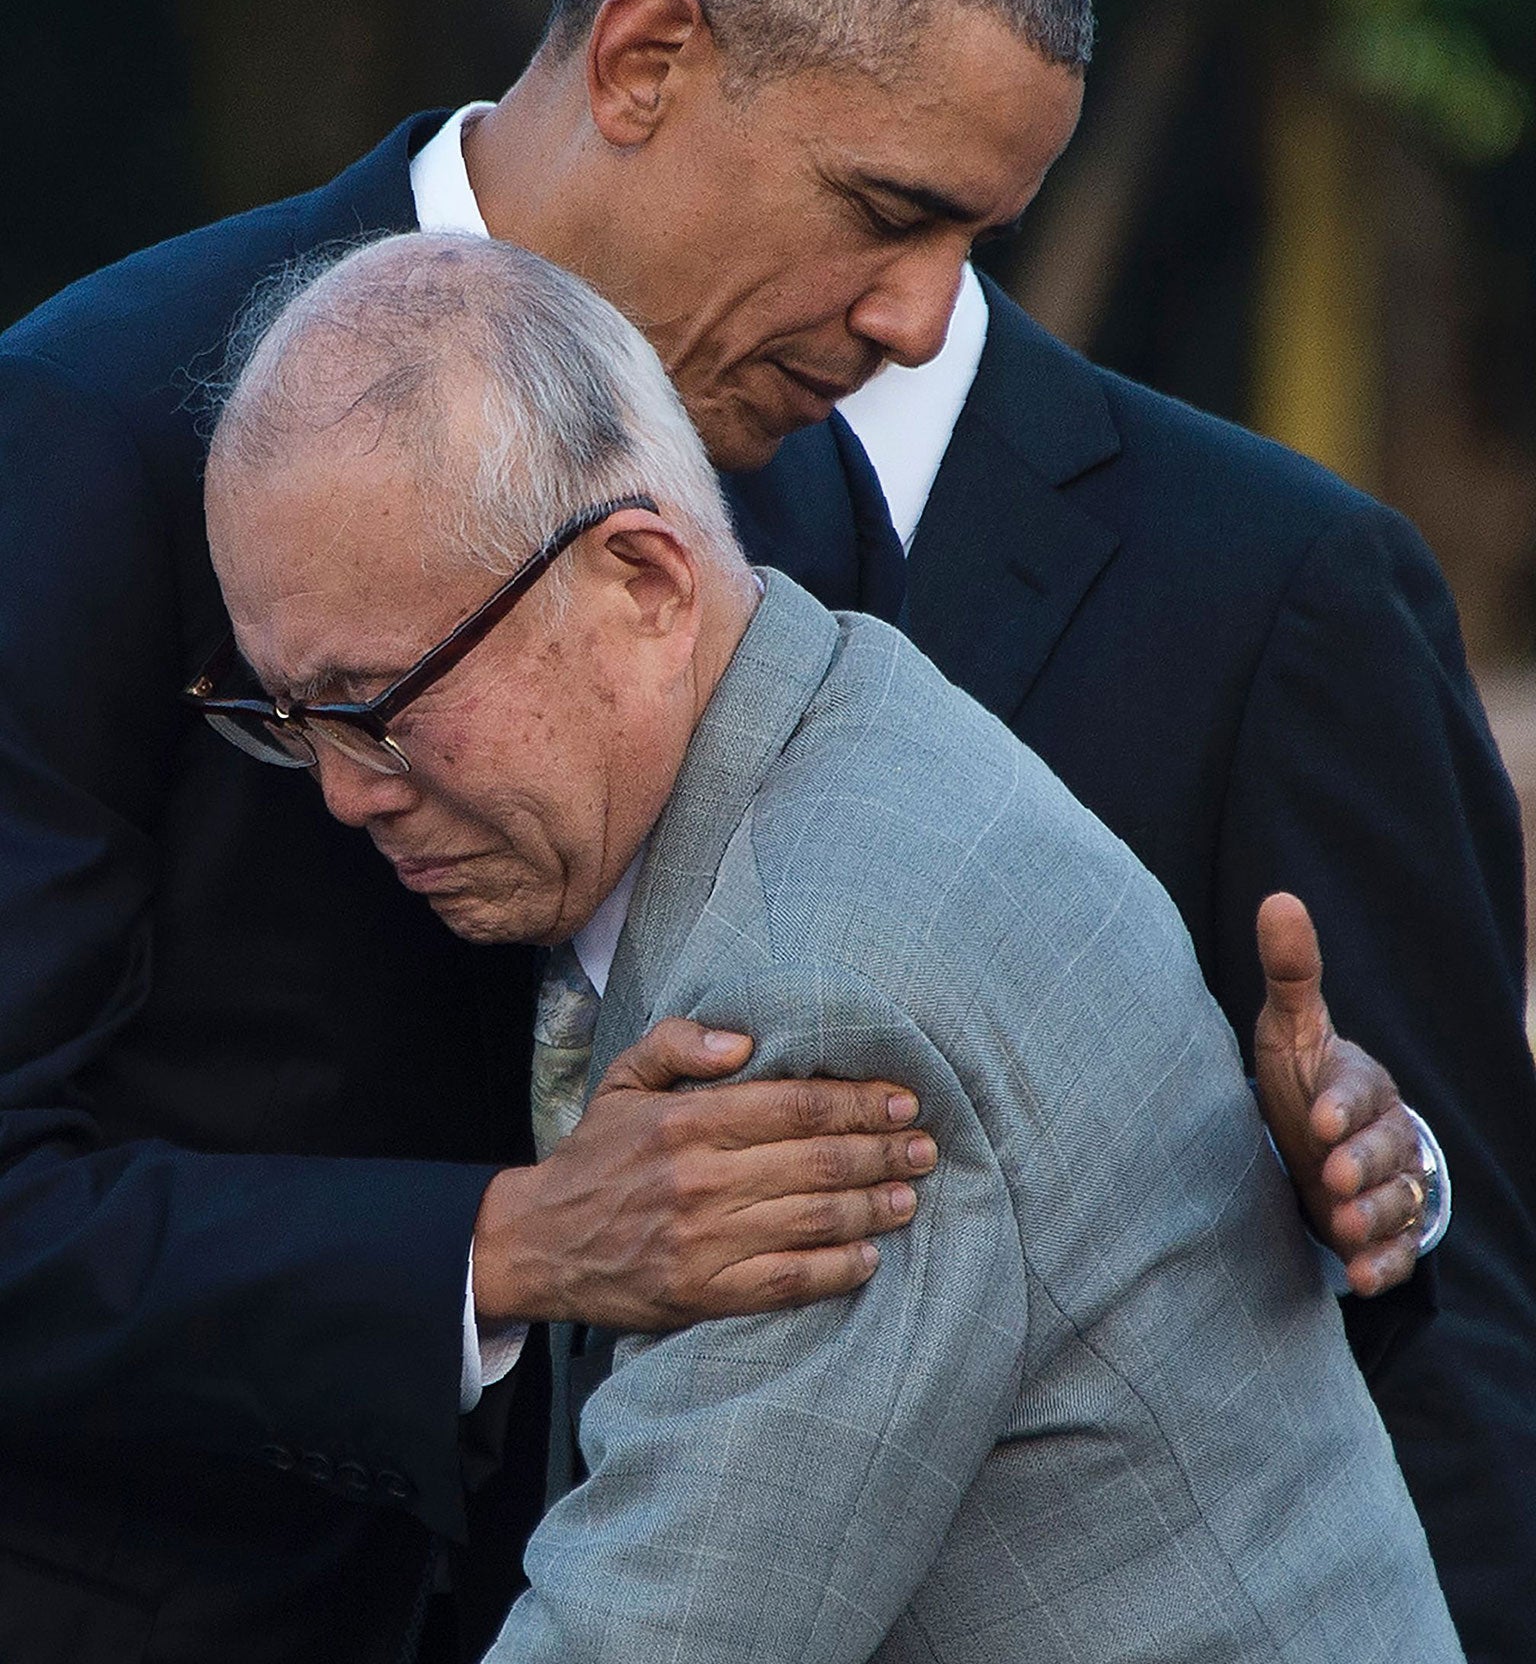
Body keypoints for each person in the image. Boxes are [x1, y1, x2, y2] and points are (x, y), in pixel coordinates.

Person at [0, 0, 1430, 1661]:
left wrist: (1282, 1173)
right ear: (647, 60)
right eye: (886, 209)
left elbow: (939, 1019)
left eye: (974, 246)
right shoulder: (93, 425)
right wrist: (503, 1251)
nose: (927, 326)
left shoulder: (789, 481)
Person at [202, 229, 1464, 1664]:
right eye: (287, 718)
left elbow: (650, 1636)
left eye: (379, 703)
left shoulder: (824, 996)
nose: (347, 791)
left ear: (645, 586)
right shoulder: (824, 717)